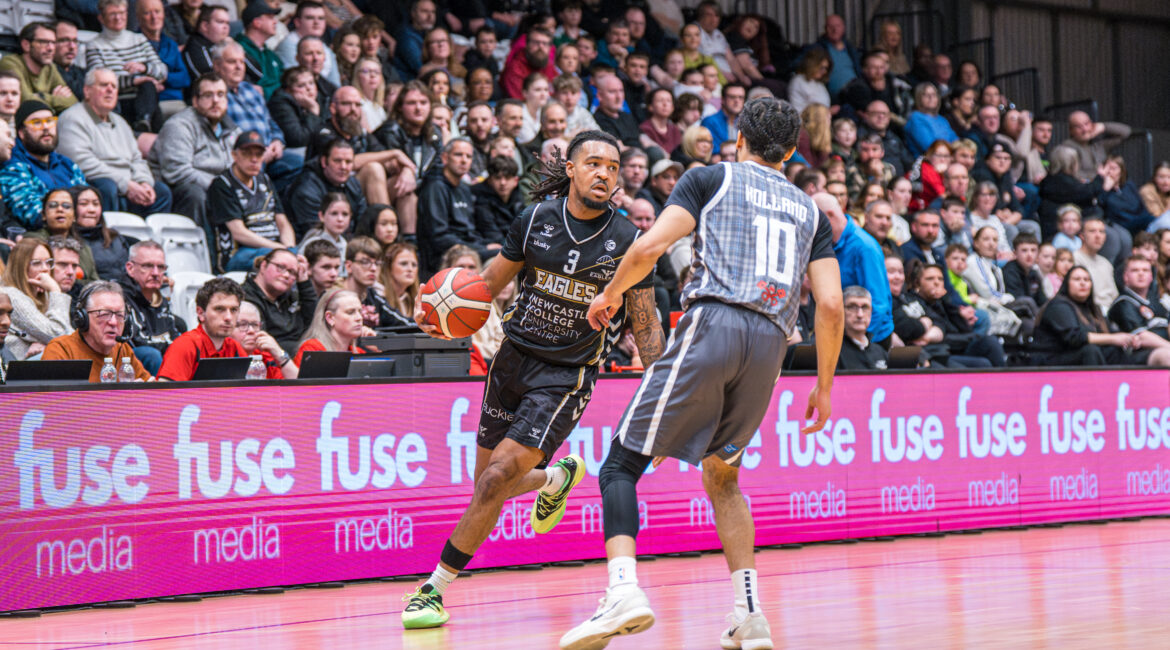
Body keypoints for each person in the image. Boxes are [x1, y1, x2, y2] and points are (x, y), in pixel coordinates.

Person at [559, 100, 841, 650]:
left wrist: (610, 294)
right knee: (723, 476)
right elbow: (830, 305)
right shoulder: (810, 210)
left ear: (740, 140)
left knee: (620, 463)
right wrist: (824, 387)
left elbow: (652, 245)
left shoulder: (709, 178)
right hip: (771, 347)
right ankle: (750, 614)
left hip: (714, 321)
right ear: (789, 152)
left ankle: (622, 592)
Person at [400, 130, 665, 630]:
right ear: (570, 168)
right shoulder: (535, 219)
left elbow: (646, 323)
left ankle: (432, 589)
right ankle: (557, 477)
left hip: (566, 374)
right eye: (594, 163)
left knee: (497, 478)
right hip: (512, 360)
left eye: (613, 166)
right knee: (486, 484)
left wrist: (663, 389)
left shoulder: (631, 240)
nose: (605, 173)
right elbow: (487, 287)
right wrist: (440, 310)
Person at [57, 69, 172, 216]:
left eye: (114, 86)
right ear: (87, 91)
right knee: (106, 187)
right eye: (104, 85)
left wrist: (144, 183)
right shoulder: (72, 118)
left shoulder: (121, 122)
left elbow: (137, 159)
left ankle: (147, 238)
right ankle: (109, 237)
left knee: (161, 191)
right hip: (100, 185)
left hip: (127, 185)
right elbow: (81, 163)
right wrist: (126, 185)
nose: (110, 90)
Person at [148, 72, 238, 227]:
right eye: (208, 95)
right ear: (195, 101)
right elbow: (177, 172)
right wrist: (220, 188)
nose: (215, 101)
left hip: (219, 189)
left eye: (220, 95)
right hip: (180, 191)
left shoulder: (232, 130)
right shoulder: (179, 126)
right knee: (195, 194)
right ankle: (203, 249)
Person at [1032, 265, 1170, 367]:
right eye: (1077, 279)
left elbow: (1108, 333)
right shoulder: (1058, 305)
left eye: (1086, 280)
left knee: (1114, 351)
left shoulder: (1093, 309)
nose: (1083, 283)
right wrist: (1114, 338)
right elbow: (1075, 338)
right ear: (1067, 283)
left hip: (1080, 355)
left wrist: (1128, 339)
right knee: (1091, 351)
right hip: (1052, 360)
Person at [206, 130, 294, 272]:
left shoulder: (264, 179)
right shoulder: (222, 184)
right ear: (234, 155)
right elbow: (239, 233)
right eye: (247, 153)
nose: (254, 159)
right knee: (280, 262)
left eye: (259, 154)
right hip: (239, 254)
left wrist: (290, 249)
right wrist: (281, 250)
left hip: (274, 249)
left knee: (306, 257)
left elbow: (282, 222)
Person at [217, 41, 299, 188]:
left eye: (242, 62)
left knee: (298, 164)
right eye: (231, 62)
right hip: (244, 156)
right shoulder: (215, 95)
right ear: (217, 65)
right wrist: (258, 152)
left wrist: (277, 141)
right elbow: (227, 132)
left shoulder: (251, 90)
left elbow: (271, 122)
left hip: (270, 154)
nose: (239, 67)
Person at [821, 189, 893, 347]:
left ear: (829, 215)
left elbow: (878, 304)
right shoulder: (832, 243)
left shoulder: (864, 247)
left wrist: (861, 343)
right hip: (845, 334)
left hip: (870, 338)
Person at [0, 100, 87, 229]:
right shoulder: (12, 165)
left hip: (77, 233)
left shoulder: (67, 164)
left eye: (50, 121)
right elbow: (33, 214)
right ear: (21, 133)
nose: (46, 127)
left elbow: (87, 204)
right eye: (36, 123)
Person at [42, 280, 153, 381]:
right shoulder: (61, 350)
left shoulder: (123, 350)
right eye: (104, 314)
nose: (113, 322)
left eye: (120, 315)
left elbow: (149, 386)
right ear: (82, 318)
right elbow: (53, 401)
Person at [85, 0, 166, 131]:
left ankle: (144, 122)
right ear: (101, 18)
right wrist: (134, 81)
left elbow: (162, 71)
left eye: (122, 13)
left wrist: (144, 68)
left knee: (148, 86)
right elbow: (99, 81)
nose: (118, 18)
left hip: (147, 100)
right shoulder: (95, 46)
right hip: (118, 103)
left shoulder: (139, 39)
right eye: (113, 14)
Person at [418, 138, 493, 274]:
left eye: (468, 156)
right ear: (445, 158)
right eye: (458, 155)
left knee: (507, 253)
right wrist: (482, 249)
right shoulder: (435, 187)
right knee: (499, 258)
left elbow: (471, 230)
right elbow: (439, 237)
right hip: (444, 255)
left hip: (470, 248)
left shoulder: (465, 188)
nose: (464, 160)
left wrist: (485, 245)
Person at [156, 276, 244, 380]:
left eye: (234, 310)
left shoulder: (234, 347)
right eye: (219, 309)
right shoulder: (185, 346)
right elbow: (166, 392)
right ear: (200, 313)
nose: (228, 317)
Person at [120, 240, 186, 375]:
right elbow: (138, 341)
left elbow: (173, 335)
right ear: (130, 268)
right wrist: (170, 348)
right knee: (151, 354)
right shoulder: (120, 297)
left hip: (157, 353)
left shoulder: (161, 297)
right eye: (148, 266)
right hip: (127, 360)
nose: (156, 273)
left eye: (161, 267)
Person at [0, 237, 73, 360]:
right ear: (20, 267)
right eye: (36, 263)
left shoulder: (44, 295)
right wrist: (56, 290)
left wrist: (45, 344)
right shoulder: (11, 295)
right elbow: (57, 335)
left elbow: (70, 336)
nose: (45, 268)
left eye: (48, 262)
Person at [285, 138, 369, 240]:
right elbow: (316, 232)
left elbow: (364, 222)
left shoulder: (353, 183)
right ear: (324, 161)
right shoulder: (306, 189)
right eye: (337, 161)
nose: (343, 167)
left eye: (348, 162)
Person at [243, 247, 317, 354]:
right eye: (281, 267)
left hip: (299, 354)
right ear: (263, 266)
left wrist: (304, 282)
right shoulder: (245, 298)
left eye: (292, 272)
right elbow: (260, 341)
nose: (287, 275)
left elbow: (313, 323)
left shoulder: (292, 297)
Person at [0, 22, 77, 114]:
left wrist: (42, 96)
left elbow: (73, 102)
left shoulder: (50, 67)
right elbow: (25, 101)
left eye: (53, 42)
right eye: (44, 42)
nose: (51, 48)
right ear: (26, 45)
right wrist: (56, 100)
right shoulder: (10, 63)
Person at [69, 184, 135, 282]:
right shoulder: (67, 242)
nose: (91, 210)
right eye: (83, 204)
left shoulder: (115, 238)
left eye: (96, 204)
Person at [274, 1, 340, 87]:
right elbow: (297, 83)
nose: (316, 22)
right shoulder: (288, 45)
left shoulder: (325, 48)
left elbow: (336, 84)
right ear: (297, 22)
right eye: (310, 18)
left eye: (321, 18)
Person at [293, 286, 365, 365]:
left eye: (360, 312)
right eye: (350, 312)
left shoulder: (359, 352)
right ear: (330, 318)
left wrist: (378, 351)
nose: (359, 318)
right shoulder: (312, 349)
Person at [230, 299, 298, 378]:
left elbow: (301, 386)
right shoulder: (223, 354)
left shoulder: (265, 356)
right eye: (242, 325)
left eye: (255, 325)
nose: (251, 331)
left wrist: (279, 354)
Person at [1109, 256, 1170, 340]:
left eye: (1145, 270)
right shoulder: (1123, 303)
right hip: (1142, 350)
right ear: (1125, 276)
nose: (1141, 274)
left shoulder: (1156, 302)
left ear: (1151, 277)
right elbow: (1141, 337)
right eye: (1135, 270)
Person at [267, 66, 327, 151]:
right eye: (301, 85)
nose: (309, 88)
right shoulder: (280, 104)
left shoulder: (321, 99)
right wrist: (313, 112)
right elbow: (298, 139)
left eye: (311, 83)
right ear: (288, 90)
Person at [1062, 111, 1131, 183]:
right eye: (1079, 127)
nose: (1085, 130)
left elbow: (1126, 132)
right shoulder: (1067, 148)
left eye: (1087, 124)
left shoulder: (1099, 144)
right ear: (1071, 130)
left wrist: (1103, 126)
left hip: (1104, 189)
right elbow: (1072, 177)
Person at [473, 156, 525, 245]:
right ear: (489, 180)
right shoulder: (480, 200)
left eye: (507, 178)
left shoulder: (518, 197)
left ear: (515, 181)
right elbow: (492, 234)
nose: (502, 183)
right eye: (497, 178)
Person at [1074, 216, 1120, 313]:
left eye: (1101, 232)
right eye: (1092, 231)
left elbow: (1114, 295)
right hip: (1089, 311)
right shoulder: (1074, 259)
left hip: (1111, 311)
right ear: (1082, 235)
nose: (1098, 236)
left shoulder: (1106, 263)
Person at [839, 285, 889, 369]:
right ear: (841, 310)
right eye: (852, 307)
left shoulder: (880, 352)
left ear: (871, 311)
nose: (860, 314)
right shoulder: (834, 352)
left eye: (865, 307)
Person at [501, 25, 557, 100]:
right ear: (527, 45)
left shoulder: (549, 65)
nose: (541, 47)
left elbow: (556, 93)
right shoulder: (515, 67)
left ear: (550, 48)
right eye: (536, 42)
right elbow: (520, 100)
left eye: (545, 43)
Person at [392, 0, 437, 81]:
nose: (430, 16)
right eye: (424, 11)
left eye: (433, 12)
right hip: (409, 85)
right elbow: (421, 69)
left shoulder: (428, 34)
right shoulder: (406, 37)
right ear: (413, 13)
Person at [299, 191, 351, 260]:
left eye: (345, 214)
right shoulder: (312, 244)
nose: (340, 219)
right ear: (321, 216)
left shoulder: (345, 244)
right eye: (334, 213)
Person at [184, 4, 231, 80]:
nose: (226, 27)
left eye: (227, 23)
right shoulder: (196, 47)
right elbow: (210, 79)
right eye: (220, 22)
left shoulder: (225, 45)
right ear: (205, 26)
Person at [379, 242, 419, 325]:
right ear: (389, 267)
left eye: (414, 265)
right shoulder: (378, 296)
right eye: (404, 264)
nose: (410, 269)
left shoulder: (417, 299)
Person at [1003, 233, 1047, 307]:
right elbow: (1019, 303)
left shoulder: (1034, 273)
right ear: (1015, 253)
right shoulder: (1010, 272)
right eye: (1024, 250)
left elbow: (1042, 301)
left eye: (1033, 250)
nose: (1029, 254)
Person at [54, 19, 86, 102]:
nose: (72, 46)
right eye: (64, 40)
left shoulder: (84, 73)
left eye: (75, 41)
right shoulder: (45, 73)